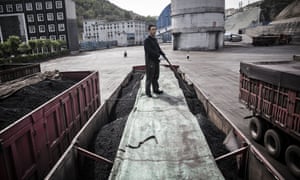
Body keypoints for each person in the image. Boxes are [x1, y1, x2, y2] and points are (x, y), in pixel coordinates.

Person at [144, 24, 166, 98]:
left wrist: (163, 54)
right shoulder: (147, 40)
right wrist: (158, 55)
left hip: (156, 61)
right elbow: (149, 51)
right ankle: (148, 92)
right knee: (150, 77)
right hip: (150, 62)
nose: (154, 31)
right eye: (152, 29)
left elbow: (158, 49)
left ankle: (156, 89)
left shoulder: (155, 39)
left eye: (155, 29)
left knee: (156, 76)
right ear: (149, 30)